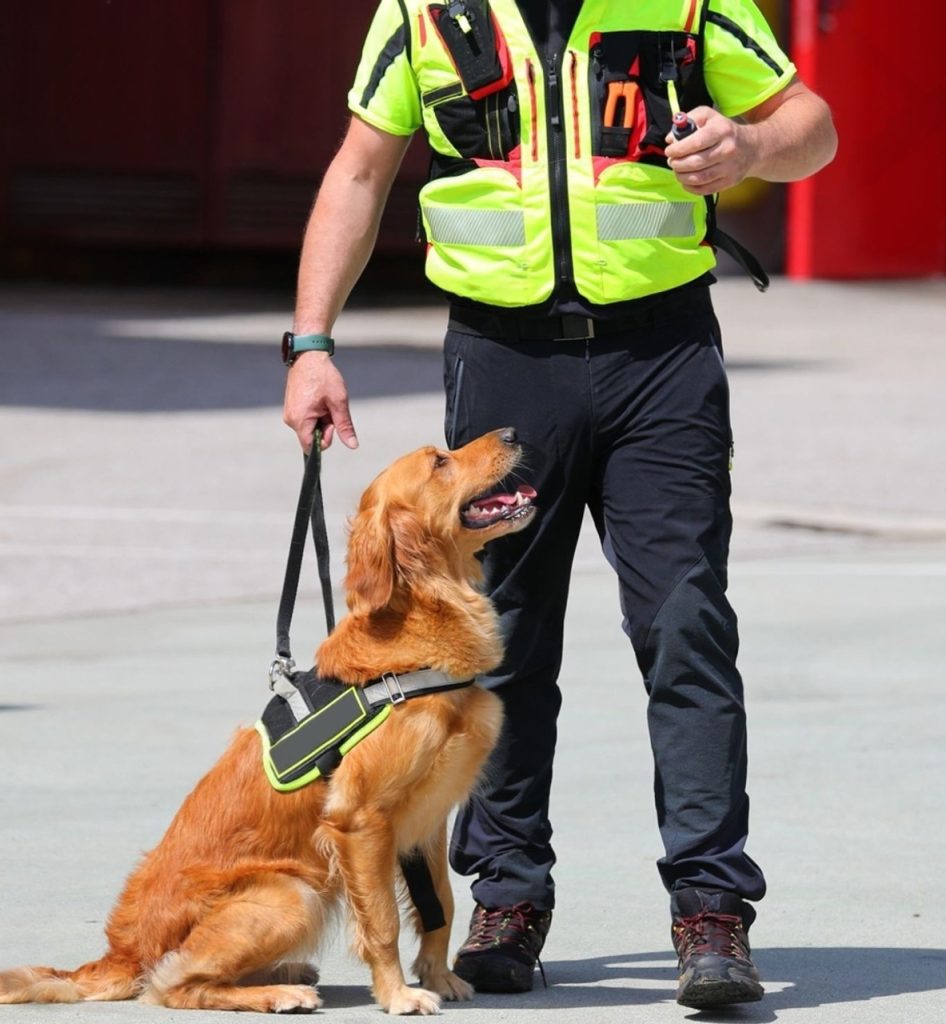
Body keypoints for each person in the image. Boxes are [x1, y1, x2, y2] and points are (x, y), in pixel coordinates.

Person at [283, 0, 837, 1009]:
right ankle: (508, 896)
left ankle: (710, 909)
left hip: (658, 358)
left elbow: (814, 124)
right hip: (503, 364)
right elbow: (359, 171)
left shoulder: (686, 1)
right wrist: (311, 342)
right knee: (501, 638)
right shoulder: (421, 12)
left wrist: (750, 139)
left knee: (685, 622)